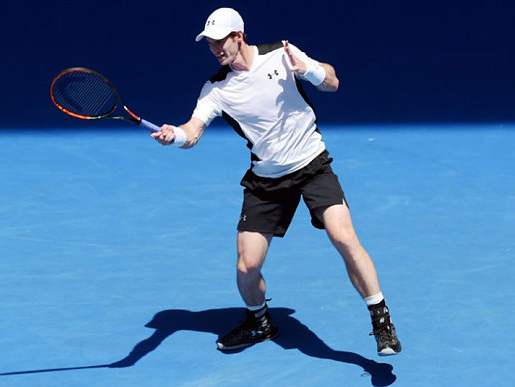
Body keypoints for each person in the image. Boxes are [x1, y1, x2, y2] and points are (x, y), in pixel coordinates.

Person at [152, 7, 401, 356]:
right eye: (209, 43)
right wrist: (175, 136)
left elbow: (333, 82)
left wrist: (309, 70)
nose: (214, 48)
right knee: (247, 265)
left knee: (344, 237)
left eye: (219, 40)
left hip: (312, 165)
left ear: (239, 36)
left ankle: (381, 320)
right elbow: (192, 132)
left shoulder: (281, 53)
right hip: (267, 180)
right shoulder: (216, 89)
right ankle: (260, 321)